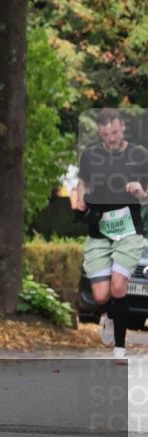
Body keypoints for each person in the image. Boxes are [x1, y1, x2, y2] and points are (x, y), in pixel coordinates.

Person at [73, 108, 148, 359]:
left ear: (123, 127)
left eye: (115, 132)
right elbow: (82, 182)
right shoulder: (90, 156)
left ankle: (120, 348)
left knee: (118, 286)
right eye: (105, 135)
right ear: (99, 132)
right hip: (99, 230)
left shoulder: (140, 155)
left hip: (129, 230)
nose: (111, 138)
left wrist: (141, 191)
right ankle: (109, 314)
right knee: (101, 295)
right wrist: (81, 198)